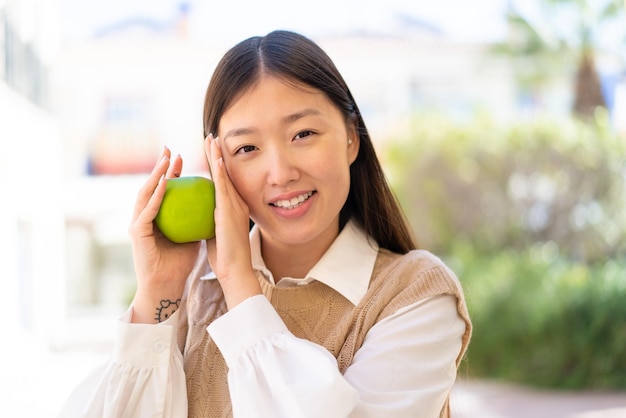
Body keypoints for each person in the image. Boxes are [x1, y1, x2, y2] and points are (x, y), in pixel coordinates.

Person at [58, 30, 471, 418]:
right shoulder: (190, 291)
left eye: (303, 133)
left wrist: (240, 284)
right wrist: (158, 293)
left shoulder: (416, 295)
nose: (280, 173)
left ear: (351, 138)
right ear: (217, 163)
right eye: (247, 147)